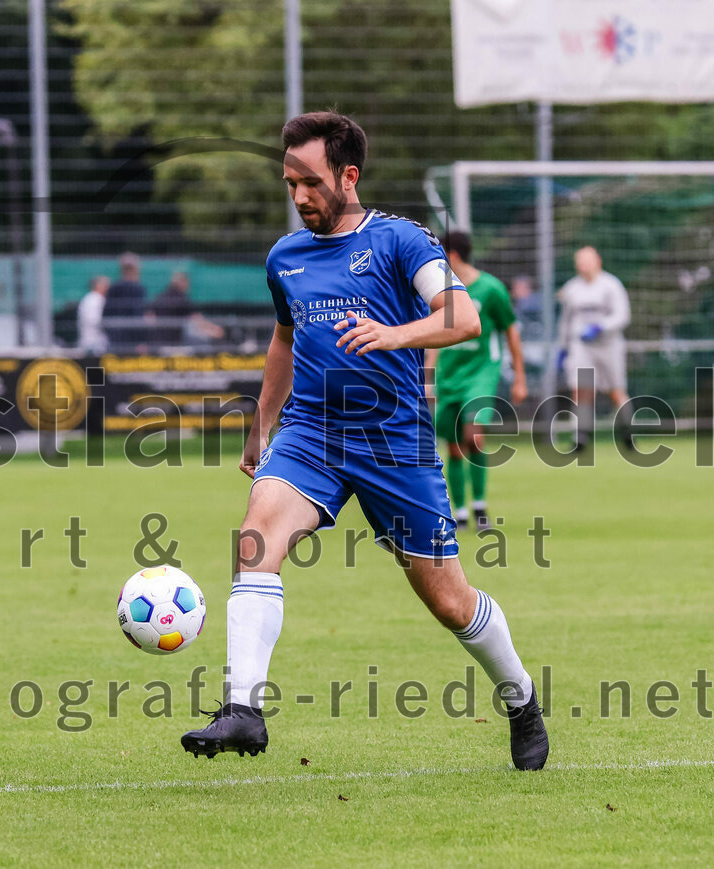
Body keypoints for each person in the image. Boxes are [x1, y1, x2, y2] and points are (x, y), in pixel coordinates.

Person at [181, 111, 548, 771]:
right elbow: (285, 340)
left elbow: (463, 316)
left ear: (348, 176)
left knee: (449, 601)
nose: (299, 196)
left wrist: (393, 334)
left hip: (393, 441)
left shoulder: (401, 240)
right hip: (311, 433)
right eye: (290, 183)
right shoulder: (284, 257)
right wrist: (262, 421)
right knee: (256, 539)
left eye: (311, 182)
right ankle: (243, 709)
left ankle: (520, 697)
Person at [425, 231, 527, 532]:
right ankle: (461, 511)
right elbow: (433, 333)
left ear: (453, 255)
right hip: (449, 376)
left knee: (473, 435)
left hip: (481, 373)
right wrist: (428, 375)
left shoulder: (491, 289)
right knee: (454, 446)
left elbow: (511, 331)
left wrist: (520, 377)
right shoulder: (440, 291)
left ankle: (480, 504)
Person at [557, 246, 632, 452]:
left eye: (586, 261)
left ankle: (628, 432)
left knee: (616, 391)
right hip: (582, 346)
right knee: (581, 390)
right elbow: (565, 321)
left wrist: (600, 326)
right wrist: (563, 347)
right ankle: (580, 437)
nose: (583, 265)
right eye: (579, 261)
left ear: (597, 261)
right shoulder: (572, 288)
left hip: (609, 345)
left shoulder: (611, 285)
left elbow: (622, 315)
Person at [148, 271, 226, 345]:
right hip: (174, 342)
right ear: (182, 282)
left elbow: (149, 318)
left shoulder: (160, 296)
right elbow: (198, 320)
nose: (188, 285)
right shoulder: (181, 298)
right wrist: (215, 330)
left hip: (156, 342)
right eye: (187, 282)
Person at [102, 251, 147, 351]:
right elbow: (138, 315)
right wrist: (141, 340)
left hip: (115, 339)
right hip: (133, 342)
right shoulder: (138, 288)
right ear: (135, 269)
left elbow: (105, 315)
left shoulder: (113, 288)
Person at [77, 275, 110, 354]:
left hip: (98, 341)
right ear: (98, 286)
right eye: (105, 285)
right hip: (92, 342)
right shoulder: (93, 299)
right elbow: (94, 321)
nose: (108, 288)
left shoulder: (97, 298)